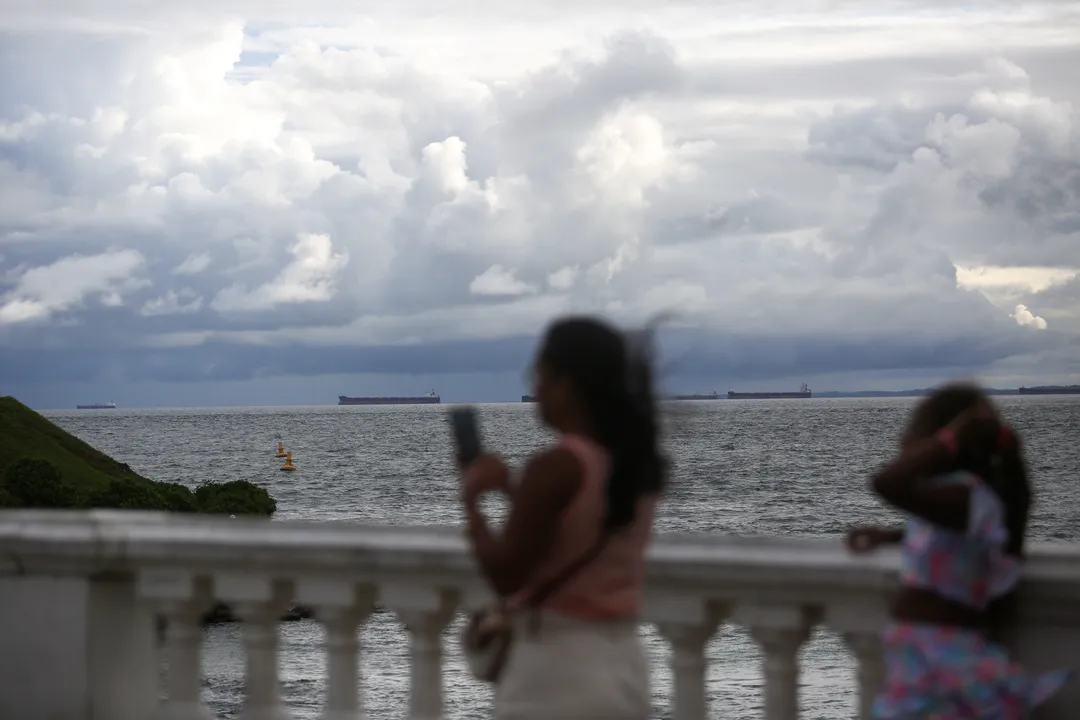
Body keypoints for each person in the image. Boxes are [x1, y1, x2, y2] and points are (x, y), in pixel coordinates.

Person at [459, 315, 666, 720]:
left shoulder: (555, 466)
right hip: (624, 666)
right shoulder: (637, 466)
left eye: (540, 376)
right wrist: (514, 492)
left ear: (567, 384)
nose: (535, 389)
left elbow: (506, 574)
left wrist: (472, 503)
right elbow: (581, 522)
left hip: (555, 672)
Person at [847, 382, 1070, 718]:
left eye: (915, 428)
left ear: (943, 440)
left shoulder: (966, 497)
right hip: (922, 659)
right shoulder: (955, 499)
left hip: (944, 660)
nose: (905, 437)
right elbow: (948, 543)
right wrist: (890, 536)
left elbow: (886, 483)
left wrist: (953, 437)